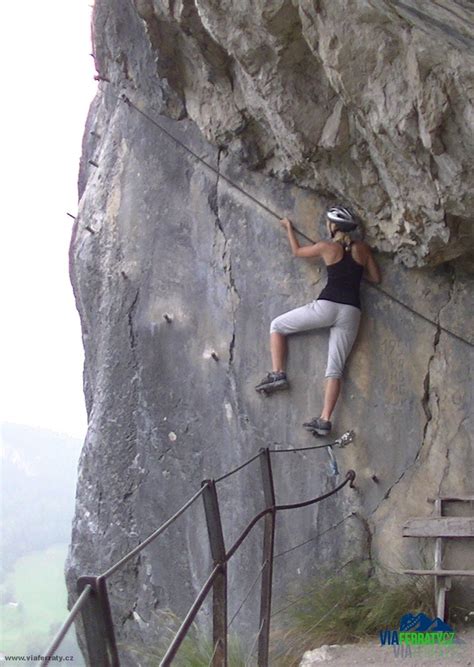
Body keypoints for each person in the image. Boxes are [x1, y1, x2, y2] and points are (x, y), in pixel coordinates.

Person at [255, 206, 381, 435]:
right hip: (352, 311)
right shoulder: (363, 249)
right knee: (335, 368)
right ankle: (324, 419)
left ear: (333, 227)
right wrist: (354, 271)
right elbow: (375, 277)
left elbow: (297, 252)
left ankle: (278, 374)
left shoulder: (327, 247)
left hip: (328, 305)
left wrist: (289, 228)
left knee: (277, 326)